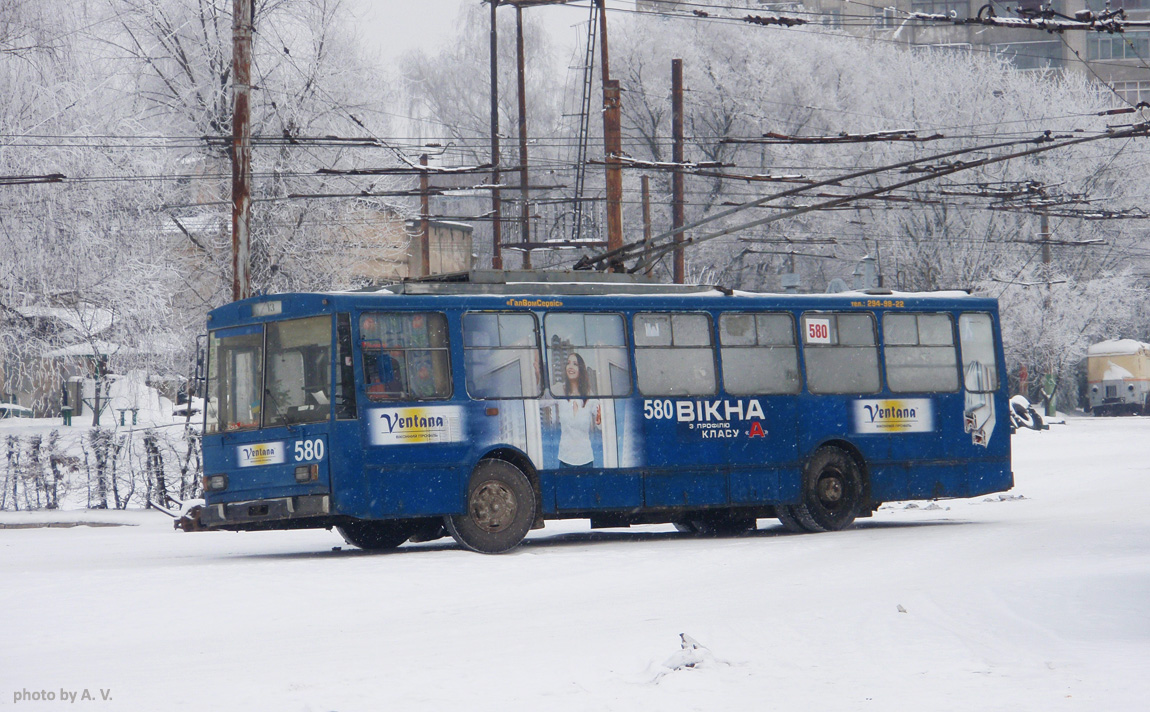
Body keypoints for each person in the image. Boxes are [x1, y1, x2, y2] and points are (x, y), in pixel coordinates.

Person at [554, 352, 601, 467]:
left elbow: (601, 424)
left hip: (586, 461)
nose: (570, 367)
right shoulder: (559, 389)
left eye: (575, 364)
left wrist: (600, 419)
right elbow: (539, 401)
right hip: (565, 461)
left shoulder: (589, 396)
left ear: (581, 370)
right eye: (568, 363)